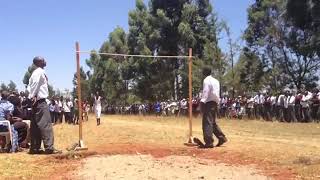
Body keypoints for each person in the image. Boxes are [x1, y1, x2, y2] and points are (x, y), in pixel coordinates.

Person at [27, 56, 61, 154]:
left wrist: (31, 96)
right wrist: (33, 96)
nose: (45, 61)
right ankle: (49, 147)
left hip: (36, 102)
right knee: (46, 124)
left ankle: (35, 147)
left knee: (35, 126)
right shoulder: (39, 72)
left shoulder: (34, 73)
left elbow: (29, 86)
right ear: (39, 62)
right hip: (40, 101)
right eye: (43, 60)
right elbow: (34, 85)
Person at [196, 67, 227, 148]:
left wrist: (202, 103)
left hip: (208, 103)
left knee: (207, 123)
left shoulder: (206, 80)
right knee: (212, 122)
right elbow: (217, 93)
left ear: (205, 72)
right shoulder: (216, 81)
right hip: (215, 103)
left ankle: (209, 142)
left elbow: (206, 92)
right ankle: (221, 138)